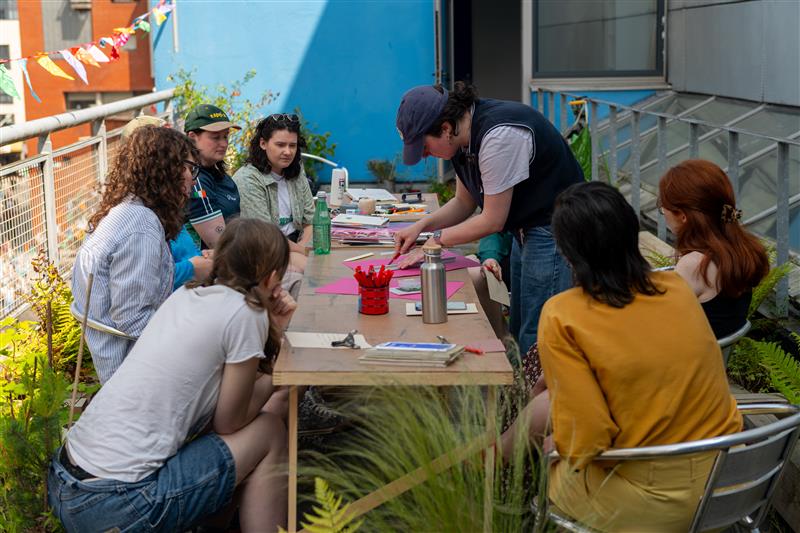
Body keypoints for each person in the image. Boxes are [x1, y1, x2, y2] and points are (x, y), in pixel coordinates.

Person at [500, 182, 742, 531]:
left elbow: (591, 436)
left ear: (569, 254)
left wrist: (557, 443)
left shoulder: (563, 313)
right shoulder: (676, 289)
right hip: (727, 483)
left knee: (548, 450)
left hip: (651, 503)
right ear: (632, 235)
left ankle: (501, 494)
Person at [49, 218, 294, 533]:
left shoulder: (187, 295)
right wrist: (279, 374)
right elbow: (230, 422)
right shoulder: (245, 312)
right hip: (118, 504)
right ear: (273, 276)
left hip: (67, 484)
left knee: (231, 436)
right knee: (270, 430)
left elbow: (216, 419)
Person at [393, 82, 583, 356]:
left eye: (424, 147)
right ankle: (520, 390)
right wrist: (420, 227)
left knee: (538, 328)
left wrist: (435, 243)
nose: (424, 155)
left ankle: (537, 396)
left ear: (445, 128)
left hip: (555, 227)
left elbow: (491, 220)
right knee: (519, 321)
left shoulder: (498, 137)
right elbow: (463, 202)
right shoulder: (462, 137)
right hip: (526, 225)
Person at [71, 126, 199, 383]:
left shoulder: (131, 210)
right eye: (189, 167)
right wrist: (188, 336)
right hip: (134, 376)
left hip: (135, 361)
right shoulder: (141, 224)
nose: (192, 177)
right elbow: (132, 319)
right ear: (165, 169)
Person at [658, 159, 769, 338]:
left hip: (689, 361)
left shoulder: (695, 265)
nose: (663, 212)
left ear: (683, 216)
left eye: (662, 207)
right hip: (715, 360)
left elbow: (660, 324)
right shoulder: (741, 250)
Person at [121, 115, 214, 291]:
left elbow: (177, 258)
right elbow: (142, 282)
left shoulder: (163, 206)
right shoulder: (141, 219)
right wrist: (192, 268)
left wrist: (202, 259)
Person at [233, 114, 314, 276]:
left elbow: (311, 220)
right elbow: (266, 237)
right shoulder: (248, 179)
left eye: (293, 145)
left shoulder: (296, 170)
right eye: (280, 145)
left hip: (297, 245)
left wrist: (303, 247)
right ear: (263, 143)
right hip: (265, 253)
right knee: (315, 273)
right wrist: (303, 251)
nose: (288, 152)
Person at [185, 104, 242, 248]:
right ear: (192, 137)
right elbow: (220, 245)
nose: (224, 143)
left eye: (225, 136)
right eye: (216, 137)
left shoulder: (218, 173)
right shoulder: (195, 180)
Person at [467, 231, 512, 339]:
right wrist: (489, 257)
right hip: (502, 256)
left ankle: (500, 339)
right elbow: (493, 231)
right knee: (473, 271)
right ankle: (497, 338)